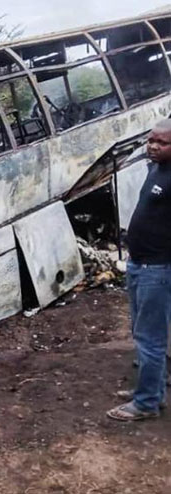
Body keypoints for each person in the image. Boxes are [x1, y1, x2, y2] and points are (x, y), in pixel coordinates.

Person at [107, 119, 171, 421]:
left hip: (157, 269)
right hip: (138, 264)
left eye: (162, 143)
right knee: (140, 331)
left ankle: (146, 403)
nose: (154, 147)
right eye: (151, 141)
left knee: (150, 338)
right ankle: (152, 393)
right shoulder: (156, 169)